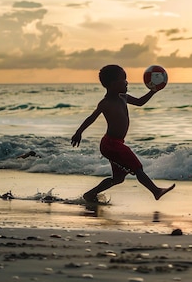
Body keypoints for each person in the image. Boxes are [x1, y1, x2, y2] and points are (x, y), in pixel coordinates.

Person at [71, 64, 174, 203]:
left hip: (116, 143)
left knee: (118, 179)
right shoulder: (105, 103)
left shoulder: (123, 97)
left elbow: (139, 102)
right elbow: (92, 118)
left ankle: (90, 194)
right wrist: (79, 132)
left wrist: (153, 90)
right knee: (138, 168)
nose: (127, 82)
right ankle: (156, 191)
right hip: (110, 144)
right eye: (123, 79)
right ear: (113, 84)